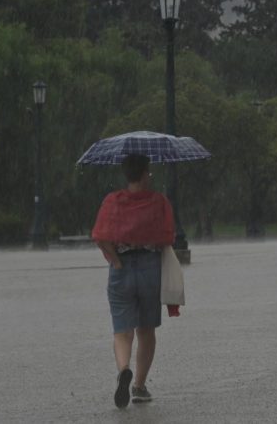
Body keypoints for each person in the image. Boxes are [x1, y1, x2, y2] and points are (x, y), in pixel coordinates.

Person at [91, 153, 175, 409]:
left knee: (122, 331)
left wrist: (116, 260)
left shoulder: (112, 201)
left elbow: (100, 235)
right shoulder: (158, 201)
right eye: (149, 171)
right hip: (149, 268)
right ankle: (138, 386)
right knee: (146, 330)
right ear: (144, 173)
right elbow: (168, 236)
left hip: (121, 269)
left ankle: (123, 369)